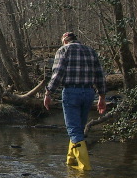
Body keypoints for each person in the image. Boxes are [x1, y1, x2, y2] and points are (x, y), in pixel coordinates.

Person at [43, 32, 107, 170]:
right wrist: (102, 96)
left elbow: (58, 73)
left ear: (65, 40)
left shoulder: (63, 50)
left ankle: (85, 167)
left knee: (73, 130)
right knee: (78, 128)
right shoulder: (91, 51)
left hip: (71, 92)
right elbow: (99, 74)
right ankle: (71, 160)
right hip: (89, 92)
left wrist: (48, 93)